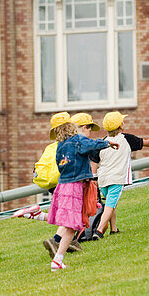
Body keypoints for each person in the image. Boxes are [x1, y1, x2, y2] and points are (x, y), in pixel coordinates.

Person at [44, 112, 117, 270]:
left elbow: (59, 163)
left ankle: (57, 253)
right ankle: (57, 256)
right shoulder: (76, 140)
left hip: (62, 184)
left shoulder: (60, 146)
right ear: (71, 126)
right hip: (75, 185)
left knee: (69, 220)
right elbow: (91, 145)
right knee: (72, 223)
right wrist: (108, 143)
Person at [93, 111, 146, 236]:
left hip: (103, 179)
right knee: (110, 205)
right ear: (121, 126)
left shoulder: (103, 142)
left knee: (112, 204)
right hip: (116, 179)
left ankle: (114, 229)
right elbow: (147, 143)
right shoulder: (126, 139)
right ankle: (99, 231)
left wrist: (94, 177)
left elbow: (94, 162)